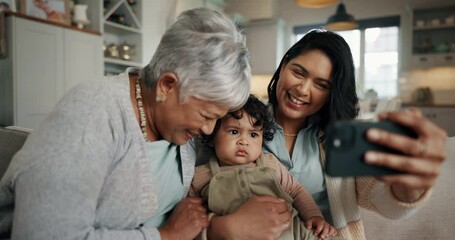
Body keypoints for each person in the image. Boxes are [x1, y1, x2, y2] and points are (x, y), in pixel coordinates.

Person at [0, 8, 251, 240]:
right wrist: (166, 235)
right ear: (167, 85)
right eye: (206, 116)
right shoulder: (92, 111)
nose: (209, 129)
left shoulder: (177, 129)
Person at [195, 29, 448, 240]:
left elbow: (380, 198)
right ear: (283, 67)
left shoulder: (338, 136)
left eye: (321, 85)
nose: (303, 90)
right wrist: (220, 228)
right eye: (298, 72)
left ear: (332, 93)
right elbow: (184, 210)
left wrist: (409, 188)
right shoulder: (236, 121)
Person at [190, 94, 343, 239]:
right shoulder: (201, 176)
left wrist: (314, 217)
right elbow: (191, 216)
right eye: (234, 131)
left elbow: (296, 190)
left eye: (253, 135)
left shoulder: (270, 163)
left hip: (293, 232)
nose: (244, 141)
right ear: (211, 137)